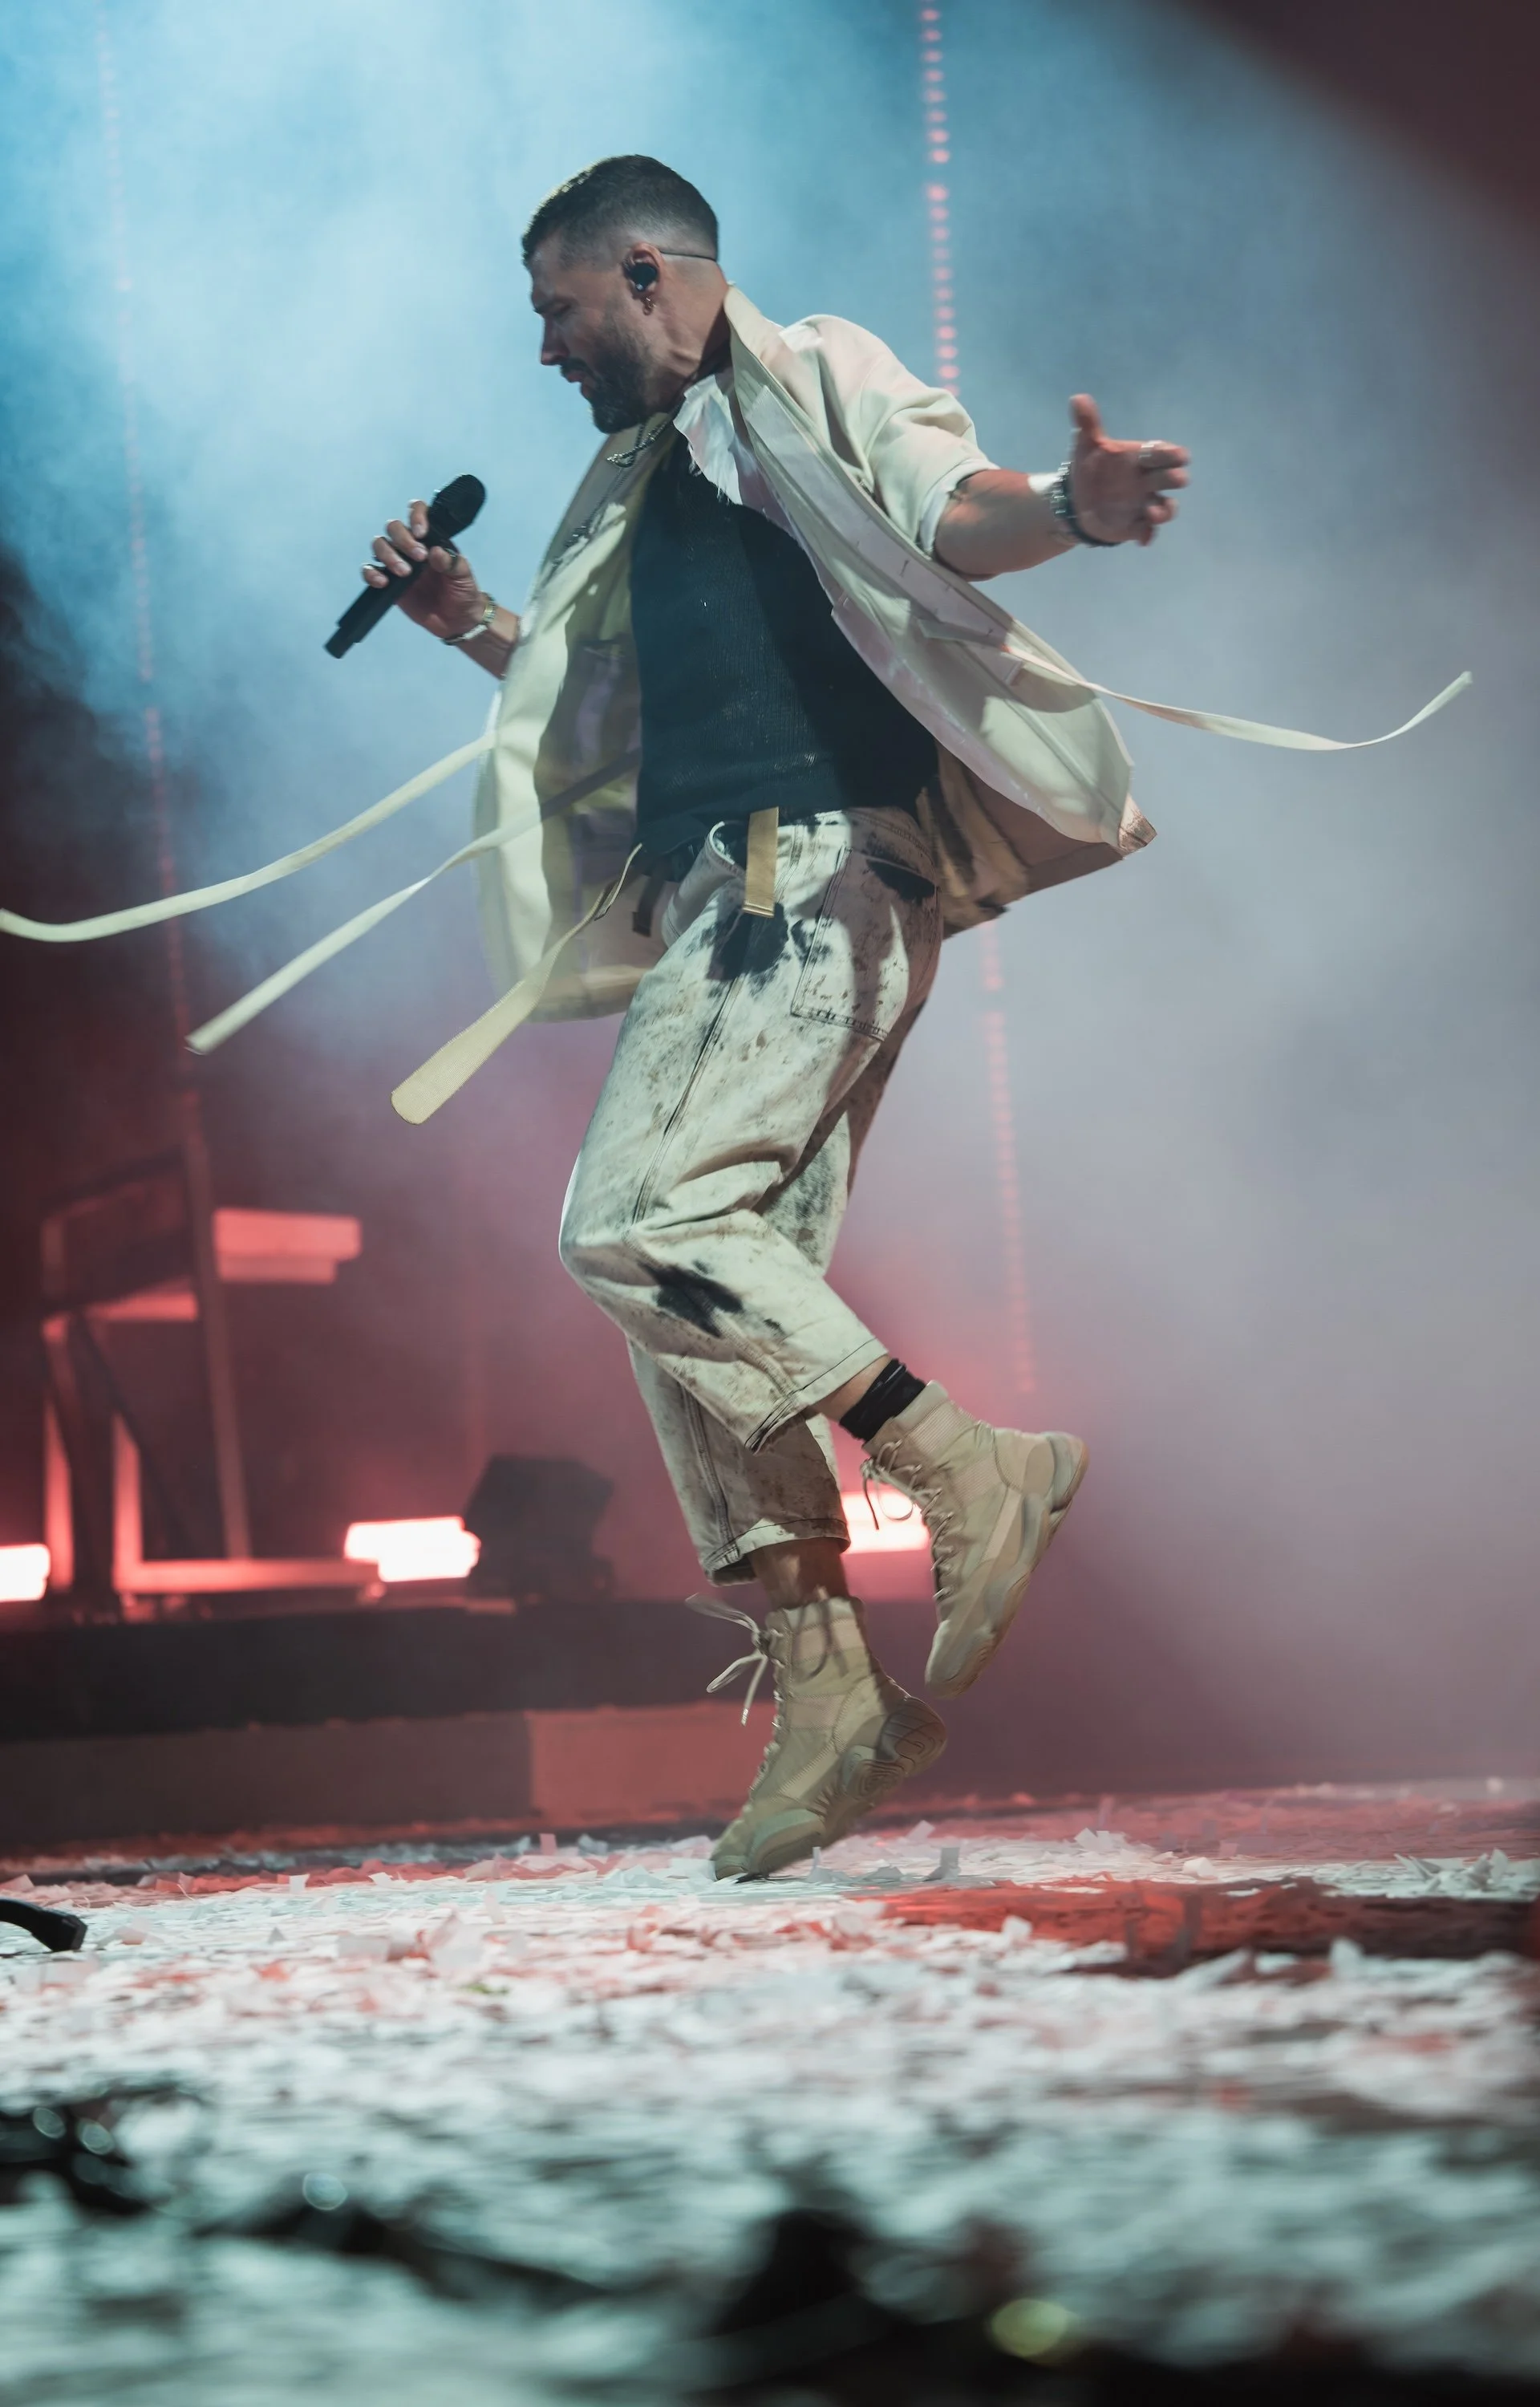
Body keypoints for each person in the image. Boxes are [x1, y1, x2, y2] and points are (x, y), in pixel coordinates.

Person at [363, 155, 1189, 1881]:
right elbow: (619, 703)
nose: (545, 351)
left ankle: (970, 1466)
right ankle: (829, 1694)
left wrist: (1073, 507)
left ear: (647, 274)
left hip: (799, 882)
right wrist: (470, 624)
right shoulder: (652, 469)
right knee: (700, 1296)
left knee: (633, 1221)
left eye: (558, 313)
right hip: (746, 893)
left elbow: (950, 503)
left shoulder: (804, 371)